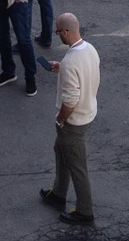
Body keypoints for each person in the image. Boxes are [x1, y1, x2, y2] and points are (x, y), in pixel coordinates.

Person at [40, 12, 101, 225]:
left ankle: (85, 211)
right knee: (61, 150)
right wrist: (62, 68)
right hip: (88, 113)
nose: (58, 35)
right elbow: (82, 74)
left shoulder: (70, 61)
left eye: (58, 31)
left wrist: (60, 119)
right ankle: (58, 193)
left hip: (73, 122)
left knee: (77, 166)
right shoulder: (90, 49)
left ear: (66, 31)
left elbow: (70, 99)